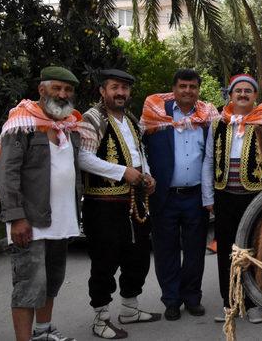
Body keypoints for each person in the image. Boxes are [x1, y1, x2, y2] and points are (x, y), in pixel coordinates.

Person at [0, 66, 83, 341]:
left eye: (67, 90)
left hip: (61, 220)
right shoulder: (22, 124)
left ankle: (43, 332)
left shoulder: (69, 126)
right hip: (30, 221)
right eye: (57, 88)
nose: (62, 94)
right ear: (41, 90)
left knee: (51, 282)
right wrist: (16, 217)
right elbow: (6, 172)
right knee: (28, 286)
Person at [79, 69, 160, 339]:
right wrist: (122, 172)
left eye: (125, 88)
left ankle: (130, 309)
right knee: (105, 262)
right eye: (115, 87)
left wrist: (147, 175)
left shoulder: (131, 119)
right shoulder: (92, 118)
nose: (121, 93)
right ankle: (101, 319)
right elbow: (84, 158)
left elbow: (139, 152)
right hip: (103, 204)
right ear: (103, 90)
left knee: (137, 257)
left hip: (134, 200)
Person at [140, 69, 219, 321]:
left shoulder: (207, 118)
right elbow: (140, 150)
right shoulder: (155, 115)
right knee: (166, 250)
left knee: (195, 250)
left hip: (195, 196)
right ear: (173, 88)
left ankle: (192, 297)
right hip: (164, 196)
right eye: (183, 86)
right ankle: (171, 300)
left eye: (192, 87)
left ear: (198, 90)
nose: (187, 91)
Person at [212, 74, 262, 324]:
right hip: (224, 196)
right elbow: (208, 162)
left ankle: (255, 303)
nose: (242, 95)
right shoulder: (218, 123)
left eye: (248, 91)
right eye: (238, 91)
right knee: (226, 251)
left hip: (255, 198)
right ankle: (230, 302)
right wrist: (206, 197)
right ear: (230, 95)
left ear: (255, 96)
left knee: (255, 250)